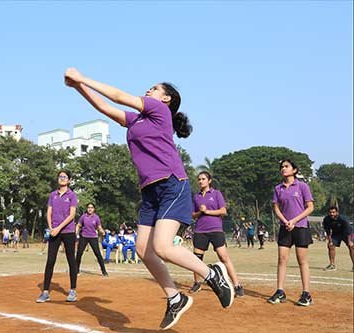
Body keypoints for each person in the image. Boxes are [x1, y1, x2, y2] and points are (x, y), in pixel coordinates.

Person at [64, 68, 234, 330]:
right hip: (150, 192)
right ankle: (175, 298)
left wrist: (83, 76)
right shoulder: (136, 120)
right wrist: (77, 87)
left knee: (164, 247)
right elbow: (105, 107)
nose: (149, 90)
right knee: (144, 250)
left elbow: (119, 96)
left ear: (166, 99)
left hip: (171, 184)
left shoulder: (159, 111)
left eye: (154, 88)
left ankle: (213, 273)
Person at [267, 159, 314, 306]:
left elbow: (310, 207)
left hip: (300, 227)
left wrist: (294, 220)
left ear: (294, 170)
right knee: (282, 259)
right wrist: (285, 221)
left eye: (286, 166)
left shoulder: (302, 186)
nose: (283, 169)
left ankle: (306, 294)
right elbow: (276, 208)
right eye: (282, 167)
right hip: (285, 228)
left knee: (302, 260)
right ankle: (280, 291)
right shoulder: (278, 188)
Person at [190, 171, 244, 297]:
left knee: (224, 257)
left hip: (215, 230)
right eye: (199, 179)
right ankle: (197, 283)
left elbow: (223, 211)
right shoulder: (196, 197)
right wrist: (200, 212)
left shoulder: (216, 193)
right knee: (196, 259)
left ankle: (237, 285)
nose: (200, 181)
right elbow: (193, 214)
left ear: (209, 181)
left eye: (203, 179)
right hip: (200, 230)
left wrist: (207, 211)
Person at [36, 170, 79, 303]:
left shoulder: (72, 195)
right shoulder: (52, 195)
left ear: (69, 180)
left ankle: (72, 290)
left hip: (68, 231)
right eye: (60, 176)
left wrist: (59, 228)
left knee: (71, 260)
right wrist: (51, 228)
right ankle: (45, 292)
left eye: (65, 177)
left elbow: (71, 215)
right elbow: (48, 213)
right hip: (54, 231)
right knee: (50, 261)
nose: (62, 178)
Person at [75, 203, 108, 276]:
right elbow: (78, 225)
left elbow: (99, 227)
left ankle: (104, 271)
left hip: (93, 237)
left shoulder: (96, 217)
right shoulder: (83, 217)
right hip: (84, 236)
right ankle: (76, 270)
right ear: (87, 209)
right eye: (89, 207)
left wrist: (102, 231)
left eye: (92, 207)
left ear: (94, 209)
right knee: (79, 253)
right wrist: (76, 233)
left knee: (98, 254)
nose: (90, 209)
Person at [322, 206, 354, 271]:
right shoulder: (326, 219)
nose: (332, 214)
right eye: (330, 212)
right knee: (330, 246)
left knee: (351, 247)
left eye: (333, 212)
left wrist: (350, 241)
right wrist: (330, 241)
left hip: (347, 234)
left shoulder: (343, 219)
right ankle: (332, 265)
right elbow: (327, 231)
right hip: (336, 234)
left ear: (337, 212)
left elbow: (348, 230)